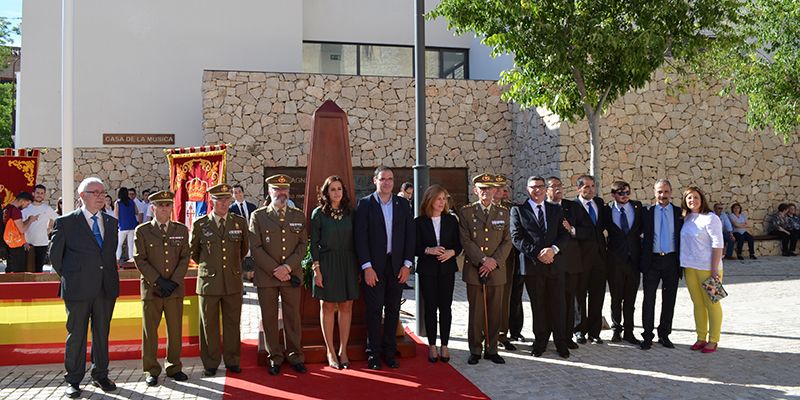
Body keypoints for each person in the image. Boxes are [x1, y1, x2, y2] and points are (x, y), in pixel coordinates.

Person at [49, 177, 119, 398]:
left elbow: (108, 254)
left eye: (102, 192)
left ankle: (100, 374)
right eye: (95, 192)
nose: (100, 196)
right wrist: (73, 276)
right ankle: (73, 379)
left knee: (101, 333)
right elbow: (55, 258)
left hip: (105, 288)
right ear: (82, 196)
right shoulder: (66, 222)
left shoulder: (110, 221)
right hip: (78, 289)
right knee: (77, 335)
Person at [354, 166, 415, 370]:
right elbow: (360, 239)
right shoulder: (364, 205)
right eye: (383, 179)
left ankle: (389, 352)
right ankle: (373, 354)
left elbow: (409, 237)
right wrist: (367, 267)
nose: (387, 182)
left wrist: (407, 264)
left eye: (390, 179)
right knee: (373, 311)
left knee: (393, 310)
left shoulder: (403, 204)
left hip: (397, 267)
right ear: (375, 181)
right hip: (374, 268)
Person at [250, 175, 307, 375]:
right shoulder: (258, 216)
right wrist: (276, 269)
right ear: (269, 192)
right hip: (268, 277)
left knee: (292, 317)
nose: (281, 193)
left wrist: (287, 268)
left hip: (291, 276)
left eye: (285, 190)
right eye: (277, 189)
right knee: (270, 318)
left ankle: (295, 356)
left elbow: (302, 245)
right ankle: (274, 356)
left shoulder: (298, 216)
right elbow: (255, 247)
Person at [189, 183, 249, 377]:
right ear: (211, 201)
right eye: (220, 200)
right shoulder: (201, 224)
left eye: (227, 200)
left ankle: (232, 360)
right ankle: (211, 362)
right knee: (209, 324)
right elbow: (194, 253)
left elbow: (243, 250)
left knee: (232, 322)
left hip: (232, 280)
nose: (224, 203)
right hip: (209, 282)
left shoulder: (239, 223)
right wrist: (211, 266)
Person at [133, 191, 190, 386]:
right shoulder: (142, 231)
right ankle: (151, 369)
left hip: (174, 290)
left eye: (168, 204)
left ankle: (174, 367)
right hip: (152, 290)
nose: (165, 208)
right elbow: (139, 258)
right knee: (150, 331)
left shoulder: (181, 230)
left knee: (174, 331)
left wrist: (173, 281)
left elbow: (184, 257)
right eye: (160, 205)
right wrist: (158, 281)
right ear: (153, 208)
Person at [510, 176, 570, 358]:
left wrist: (553, 250)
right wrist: (538, 253)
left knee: (558, 304)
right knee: (539, 306)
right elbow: (516, 237)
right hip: (533, 266)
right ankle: (540, 341)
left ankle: (561, 342)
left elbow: (564, 235)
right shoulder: (518, 211)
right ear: (527, 190)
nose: (538, 190)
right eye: (534, 187)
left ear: (546, 189)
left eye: (541, 187)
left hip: (555, 264)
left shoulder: (555, 209)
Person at [457, 173, 512, 365]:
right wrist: (482, 260)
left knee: (495, 311)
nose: (486, 193)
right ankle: (475, 349)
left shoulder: (503, 212)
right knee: (476, 312)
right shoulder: (466, 212)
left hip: (496, 270)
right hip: (474, 269)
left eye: (489, 189)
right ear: (475, 191)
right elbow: (465, 240)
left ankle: (492, 348)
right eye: (482, 189)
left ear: (494, 191)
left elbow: (507, 241)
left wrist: (493, 262)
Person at [310, 176, 360, 369]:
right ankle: (330, 350)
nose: (337, 192)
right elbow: (313, 243)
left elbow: (357, 241)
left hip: (348, 263)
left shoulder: (351, 213)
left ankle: (343, 350)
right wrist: (317, 269)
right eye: (333, 189)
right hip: (327, 263)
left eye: (339, 189)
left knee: (347, 306)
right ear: (326, 192)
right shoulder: (318, 214)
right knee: (328, 306)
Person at [415, 184, 462, 363]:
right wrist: (429, 250)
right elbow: (414, 247)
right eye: (439, 198)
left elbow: (458, 245)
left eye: (444, 199)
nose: (442, 202)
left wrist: (451, 252)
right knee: (430, 308)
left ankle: (445, 345)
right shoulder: (419, 222)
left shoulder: (451, 220)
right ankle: (432, 345)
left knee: (445, 308)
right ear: (430, 200)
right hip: (427, 271)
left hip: (447, 270)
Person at [640, 179, 683, 350]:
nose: (662, 195)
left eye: (665, 192)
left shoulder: (680, 213)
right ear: (654, 192)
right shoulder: (646, 212)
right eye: (659, 192)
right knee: (648, 299)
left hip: (672, 261)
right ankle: (647, 336)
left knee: (669, 299)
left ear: (671, 192)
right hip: (652, 261)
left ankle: (664, 334)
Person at [680, 186, 724, 353]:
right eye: (689, 198)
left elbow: (718, 244)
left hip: (709, 268)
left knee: (713, 303)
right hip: (690, 268)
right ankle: (700, 337)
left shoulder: (711, 218)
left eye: (696, 197)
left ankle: (713, 339)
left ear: (702, 199)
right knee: (698, 303)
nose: (693, 201)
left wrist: (714, 269)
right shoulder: (687, 218)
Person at [545, 176, 584, 350]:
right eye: (553, 187)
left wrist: (572, 229)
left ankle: (567, 337)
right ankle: (545, 337)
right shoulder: (541, 208)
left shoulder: (572, 207)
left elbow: (588, 231)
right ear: (546, 190)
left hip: (569, 263)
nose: (558, 189)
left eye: (560, 186)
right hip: (547, 262)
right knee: (547, 302)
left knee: (568, 301)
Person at [603, 181, 643, 345]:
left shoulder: (637, 207)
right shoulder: (606, 210)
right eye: (621, 193)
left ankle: (629, 331)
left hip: (633, 261)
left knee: (630, 299)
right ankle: (616, 330)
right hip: (614, 261)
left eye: (627, 192)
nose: (625, 196)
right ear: (613, 195)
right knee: (615, 299)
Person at [572, 174, 607, 344]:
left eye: (592, 186)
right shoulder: (572, 206)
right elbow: (572, 230)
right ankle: (579, 330)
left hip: (599, 258)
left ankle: (595, 331)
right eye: (586, 187)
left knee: (597, 295)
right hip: (580, 258)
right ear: (578, 188)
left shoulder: (599, 203)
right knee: (579, 296)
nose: (590, 189)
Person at [492, 175, 518, 351]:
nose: (501, 191)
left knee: (504, 298)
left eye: (502, 188)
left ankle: (502, 333)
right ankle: (485, 332)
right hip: (486, 259)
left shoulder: (512, 209)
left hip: (506, 259)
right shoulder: (479, 208)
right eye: (498, 187)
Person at [22, 184, 58, 272]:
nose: (39, 195)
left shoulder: (47, 209)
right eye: (37, 193)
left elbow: (57, 219)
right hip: (28, 243)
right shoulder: (26, 209)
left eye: (42, 193)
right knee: (27, 269)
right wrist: (23, 241)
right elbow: (20, 226)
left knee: (39, 270)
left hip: (42, 243)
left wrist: (49, 229)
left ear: (44, 195)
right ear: (33, 193)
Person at [230, 184, 258, 282]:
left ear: (243, 193)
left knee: (253, 257)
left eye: (239, 192)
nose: (238, 194)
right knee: (240, 258)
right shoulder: (231, 210)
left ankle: (252, 277)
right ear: (232, 195)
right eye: (235, 193)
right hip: (238, 237)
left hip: (251, 235)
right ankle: (240, 283)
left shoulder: (252, 207)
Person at [3, 192, 37, 273]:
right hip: (16, 245)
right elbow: (22, 229)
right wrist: (31, 221)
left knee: (10, 268)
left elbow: (16, 226)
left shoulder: (7, 208)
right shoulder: (16, 211)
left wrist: (28, 219)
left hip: (8, 242)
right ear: (23, 201)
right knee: (18, 271)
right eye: (27, 204)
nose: (27, 206)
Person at [115, 187, 140, 262]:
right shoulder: (132, 202)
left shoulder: (118, 203)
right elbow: (137, 212)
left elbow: (116, 215)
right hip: (132, 225)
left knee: (119, 244)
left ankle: (117, 259)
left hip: (123, 226)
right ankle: (131, 259)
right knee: (131, 244)